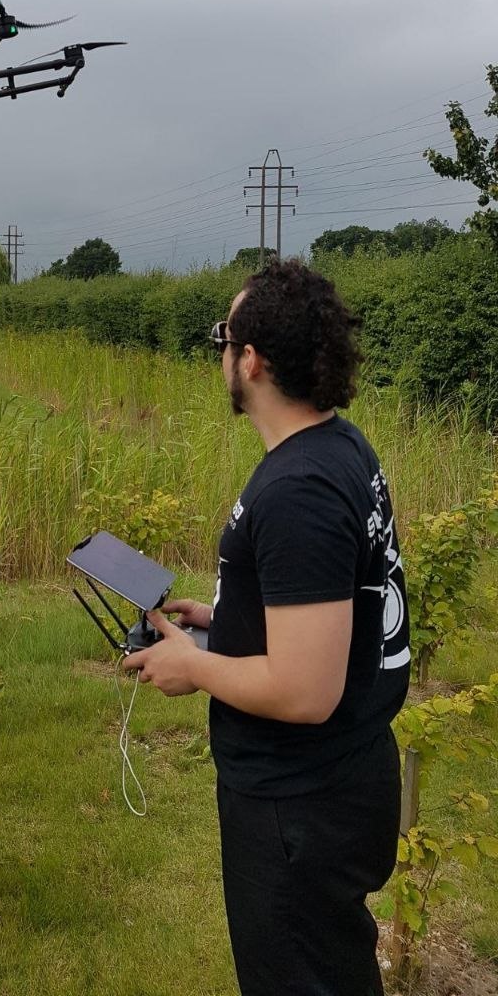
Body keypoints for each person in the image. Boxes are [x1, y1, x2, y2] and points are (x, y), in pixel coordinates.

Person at [123, 258, 410, 996]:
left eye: (224, 335)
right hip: (336, 783)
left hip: (300, 806)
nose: (220, 352)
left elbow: (305, 689)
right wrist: (226, 620)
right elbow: (338, 607)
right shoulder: (338, 447)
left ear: (249, 359)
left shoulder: (299, 489)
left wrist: (193, 666)